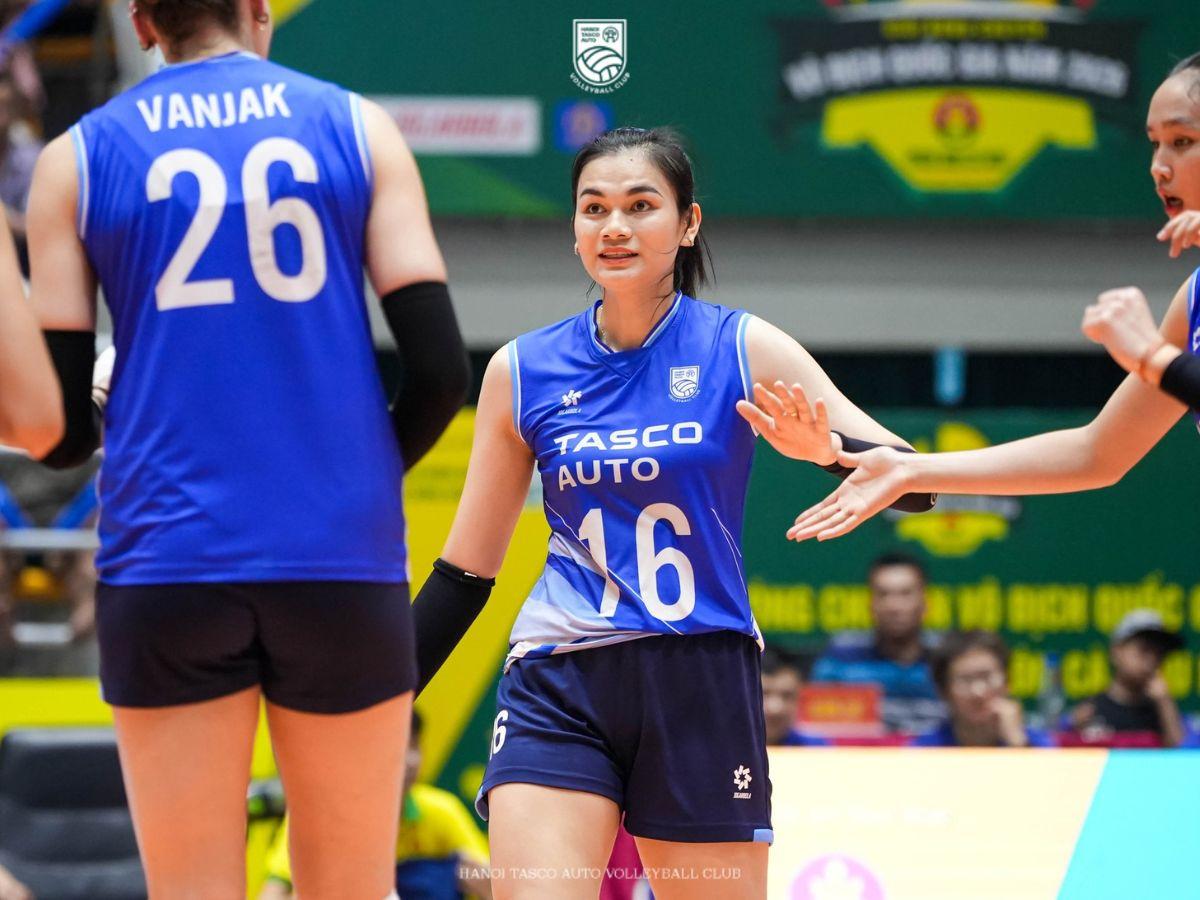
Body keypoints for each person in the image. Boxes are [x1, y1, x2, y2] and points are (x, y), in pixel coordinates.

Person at [407, 125, 934, 900]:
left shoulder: (741, 347)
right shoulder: (522, 370)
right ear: (575, 229)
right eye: (594, 208)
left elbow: (914, 482)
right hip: (561, 676)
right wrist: (376, 698)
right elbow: (464, 573)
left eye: (640, 205)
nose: (614, 226)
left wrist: (825, 450)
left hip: (699, 676)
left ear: (688, 224)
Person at [20, 1, 467, 896]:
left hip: (167, 563)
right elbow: (440, 372)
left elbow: (59, 431)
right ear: (260, 10)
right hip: (338, 559)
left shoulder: (74, 158)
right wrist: (354, 481)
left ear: (143, 25)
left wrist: (113, 397)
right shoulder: (358, 129)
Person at [783, 53, 1200, 545]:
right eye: (1154, 144)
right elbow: (1097, 453)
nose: (1158, 167)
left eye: (1182, 141)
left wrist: (1151, 356)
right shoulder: (1192, 298)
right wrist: (911, 470)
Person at [259, 711, 493, 900]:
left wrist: (466, 876)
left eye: (414, 745)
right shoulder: (317, 815)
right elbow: (274, 891)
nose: (409, 760)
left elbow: (490, 879)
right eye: (398, 745)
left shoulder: (440, 811)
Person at [809, 552, 944, 735]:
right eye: (883, 594)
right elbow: (817, 725)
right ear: (870, 603)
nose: (894, 606)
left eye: (905, 593)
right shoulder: (842, 655)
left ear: (925, 601)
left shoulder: (946, 656)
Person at [912, 630, 1052, 748]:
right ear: (944, 690)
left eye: (986, 676)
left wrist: (1018, 744)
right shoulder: (925, 750)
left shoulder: (1038, 745)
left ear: (1007, 681)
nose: (977, 692)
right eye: (966, 680)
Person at [1067, 609, 1186, 748]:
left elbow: (1182, 755)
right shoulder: (1089, 712)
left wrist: (1165, 704)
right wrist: (1076, 734)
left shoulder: (1162, 714)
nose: (1152, 660)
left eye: (1159, 654)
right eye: (1144, 650)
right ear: (1117, 651)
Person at [761, 648, 828, 746]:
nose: (775, 708)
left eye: (787, 696)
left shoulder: (816, 750)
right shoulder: (735, 748)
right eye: (764, 694)